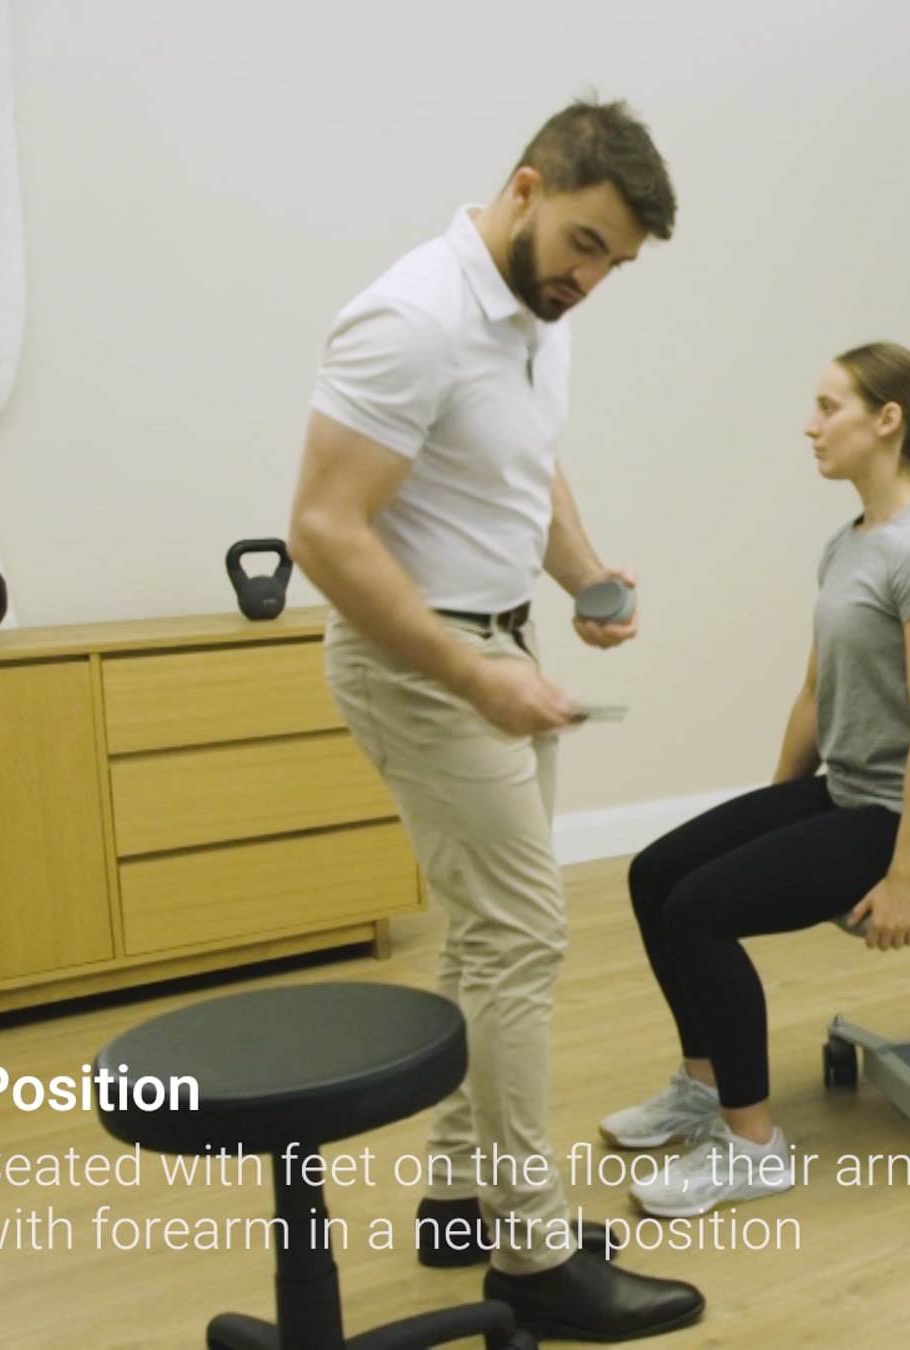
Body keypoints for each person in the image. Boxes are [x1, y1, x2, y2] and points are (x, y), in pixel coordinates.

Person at [287, 99, 703, 1342]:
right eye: (583, 244)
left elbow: (528, 459)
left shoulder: (534, 315)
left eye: (613, 264)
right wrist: (474, 677)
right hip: (421, 662)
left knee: (486, 938)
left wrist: (582, 576)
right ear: (525, 189)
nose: (590, 279)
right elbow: (324, 532)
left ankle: (459, 1198)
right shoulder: (413, 318)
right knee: (524, 934)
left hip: (499, 645)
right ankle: (531, 1253)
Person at [604, 341, 910, 1218]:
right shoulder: (848, 544)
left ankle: (752, 1147)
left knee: (698, 912)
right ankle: (704, 1086)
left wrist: (904, 878)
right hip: (848, 793)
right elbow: (815, 694)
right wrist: (775, 811)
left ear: (886, 421)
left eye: (828, 407)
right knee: (655, 874)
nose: (809, 426)